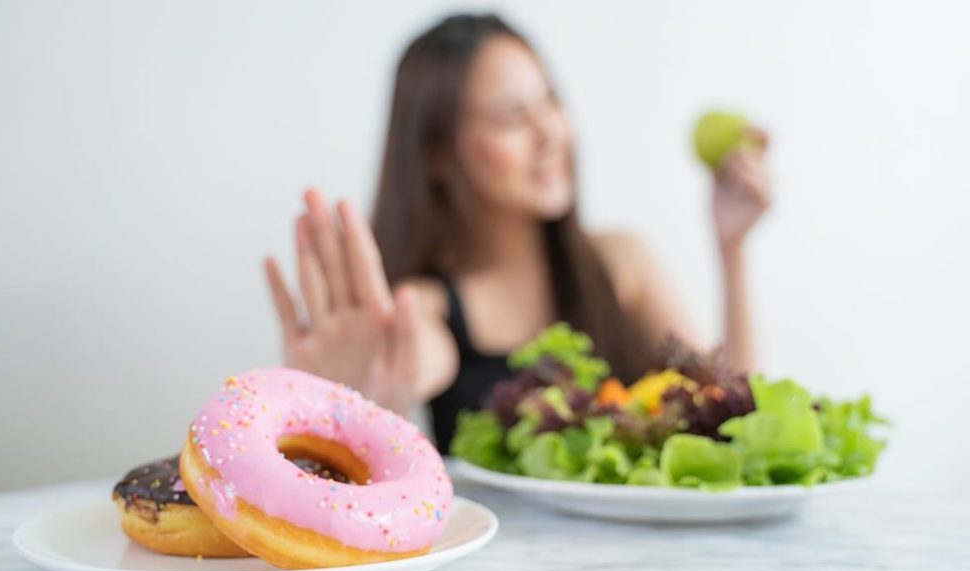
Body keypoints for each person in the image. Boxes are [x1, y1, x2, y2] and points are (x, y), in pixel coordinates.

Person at [263, 13, 771, 454]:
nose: (550, 131)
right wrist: (349, 393)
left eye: (549, 101)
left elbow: (734, 413)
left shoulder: (622, 262)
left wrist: (733, 249)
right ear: (438, 153)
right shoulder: (425, 306)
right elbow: (408, 363)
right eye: (512, 116)